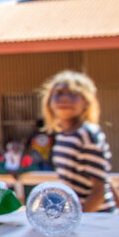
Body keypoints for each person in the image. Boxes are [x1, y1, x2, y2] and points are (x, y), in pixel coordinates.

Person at [39, 70, 116, 213]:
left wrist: (78, 221)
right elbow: (103, 176)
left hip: (96, 218)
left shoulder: (87, 134)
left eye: (73, 94)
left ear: (86, 101)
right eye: (59, 93)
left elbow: (100, 189)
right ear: (49, 101)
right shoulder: (63, 135)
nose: (65, 99)